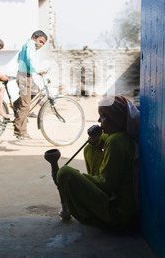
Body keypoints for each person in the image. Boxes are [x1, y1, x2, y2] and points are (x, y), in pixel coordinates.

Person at [56, 95, 140, 229]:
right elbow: (102, 140)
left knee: (65, 173)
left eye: (104, 116)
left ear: (115, 119)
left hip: (118, 212)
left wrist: (82, 179)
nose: (99, 120)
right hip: (124, 211)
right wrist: (94, 140)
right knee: (91, 147)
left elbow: (107, 185)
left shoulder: (116, 142)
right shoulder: (120, 136)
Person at [14, 30, 47, 139]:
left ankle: (16, 105)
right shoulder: (31, 45)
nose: (41, 45)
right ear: (34, 37)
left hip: (25, 74)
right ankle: (20, 131)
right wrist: (38, 70)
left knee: (35, 91)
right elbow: (31, 60)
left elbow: (19, 58)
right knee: (25, 105)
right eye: (40, 41)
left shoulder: (26, 45)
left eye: (43, 43)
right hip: (25, 76)